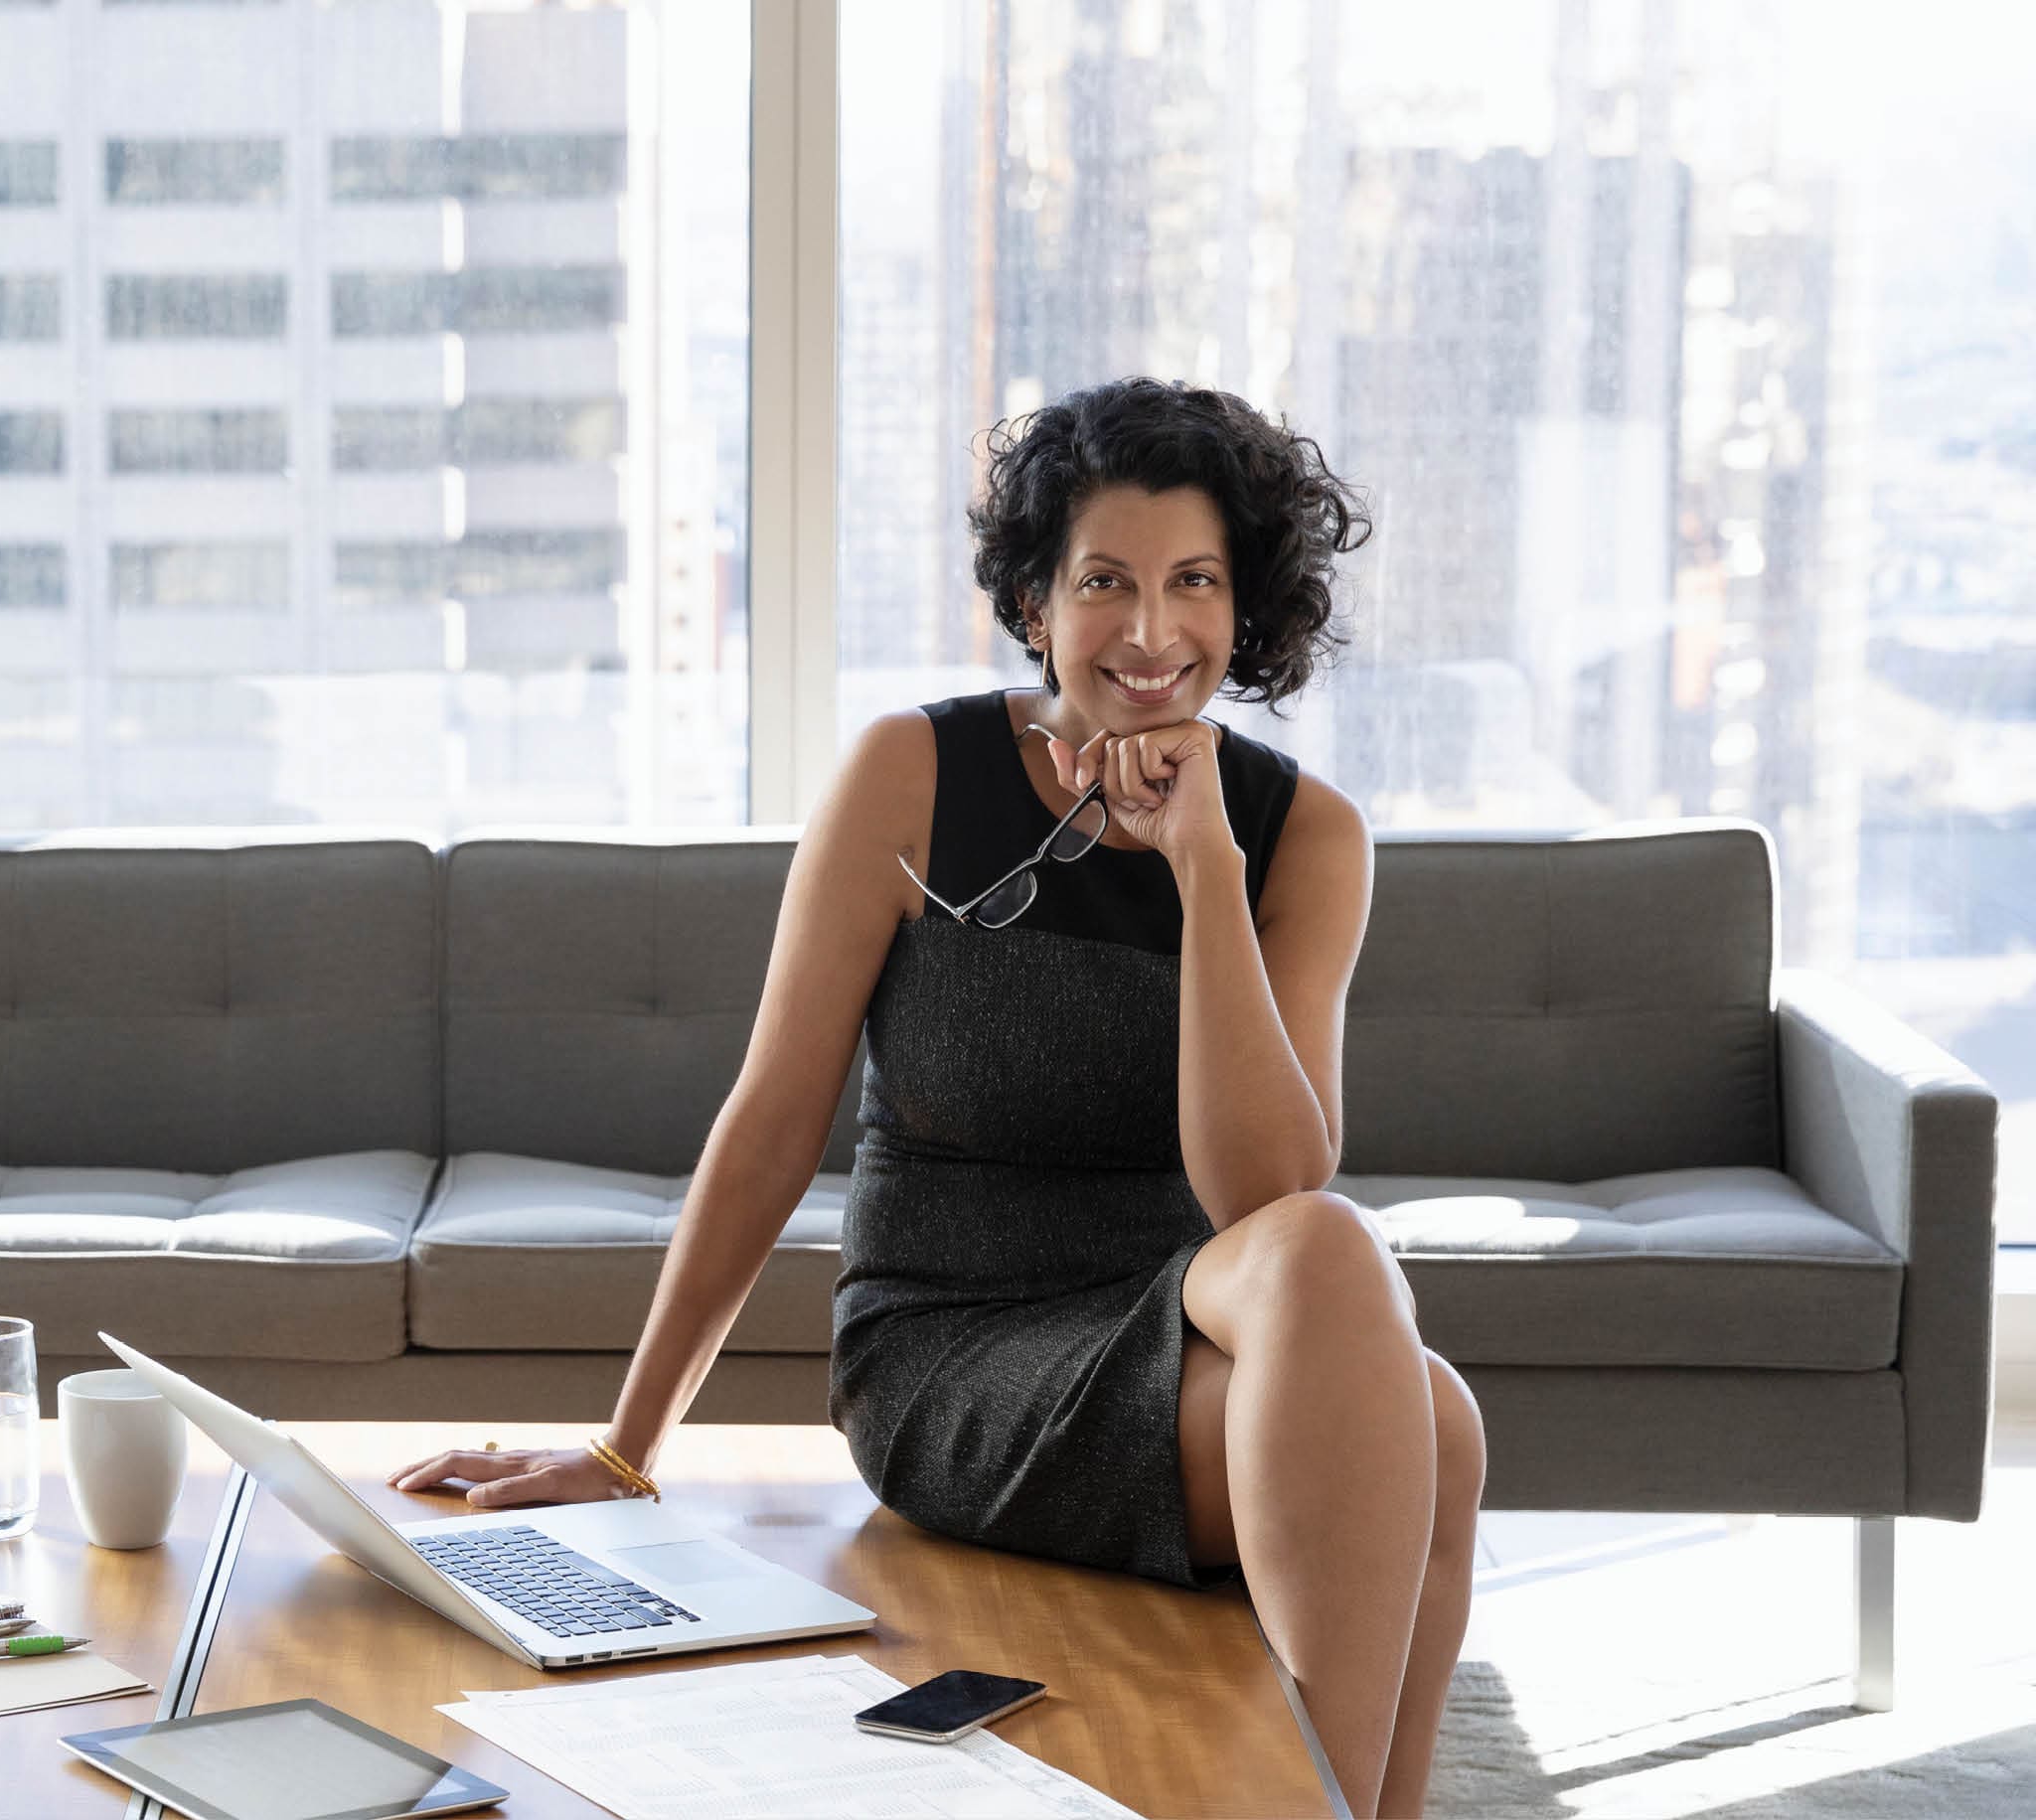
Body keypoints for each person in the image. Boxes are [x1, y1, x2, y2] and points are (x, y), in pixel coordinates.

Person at [392, 377, 1482, 1819]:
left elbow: (1265, 1195)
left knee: (1412, 1382)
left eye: (1194, 584)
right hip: (954, 1352)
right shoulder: (914, 772)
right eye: (1105, 582)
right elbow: (775, 1115)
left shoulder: (1301, 839)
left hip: (1180, 1320)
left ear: (1246, 606)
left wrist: (1204, 869)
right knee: (1417, 1405)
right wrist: (624, 1445)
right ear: (1036, 604)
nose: (1151, 633)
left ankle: (1349, 1810)